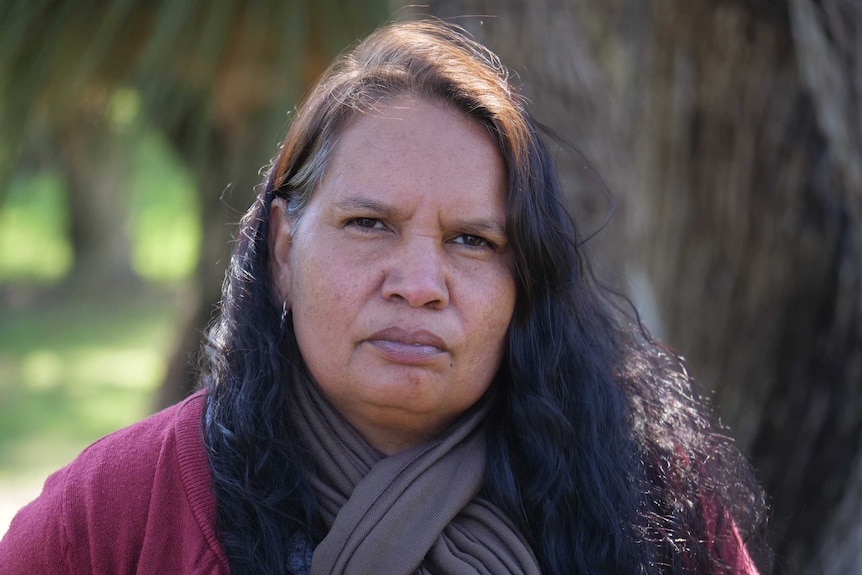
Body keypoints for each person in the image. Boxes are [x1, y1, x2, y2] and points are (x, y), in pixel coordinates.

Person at [0, 19, 769, 574]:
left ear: (523, 278)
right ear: (282, 249)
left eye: (473, 240)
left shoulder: (647, 501)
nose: (419, 284)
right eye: (370, 224)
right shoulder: (122, 507)